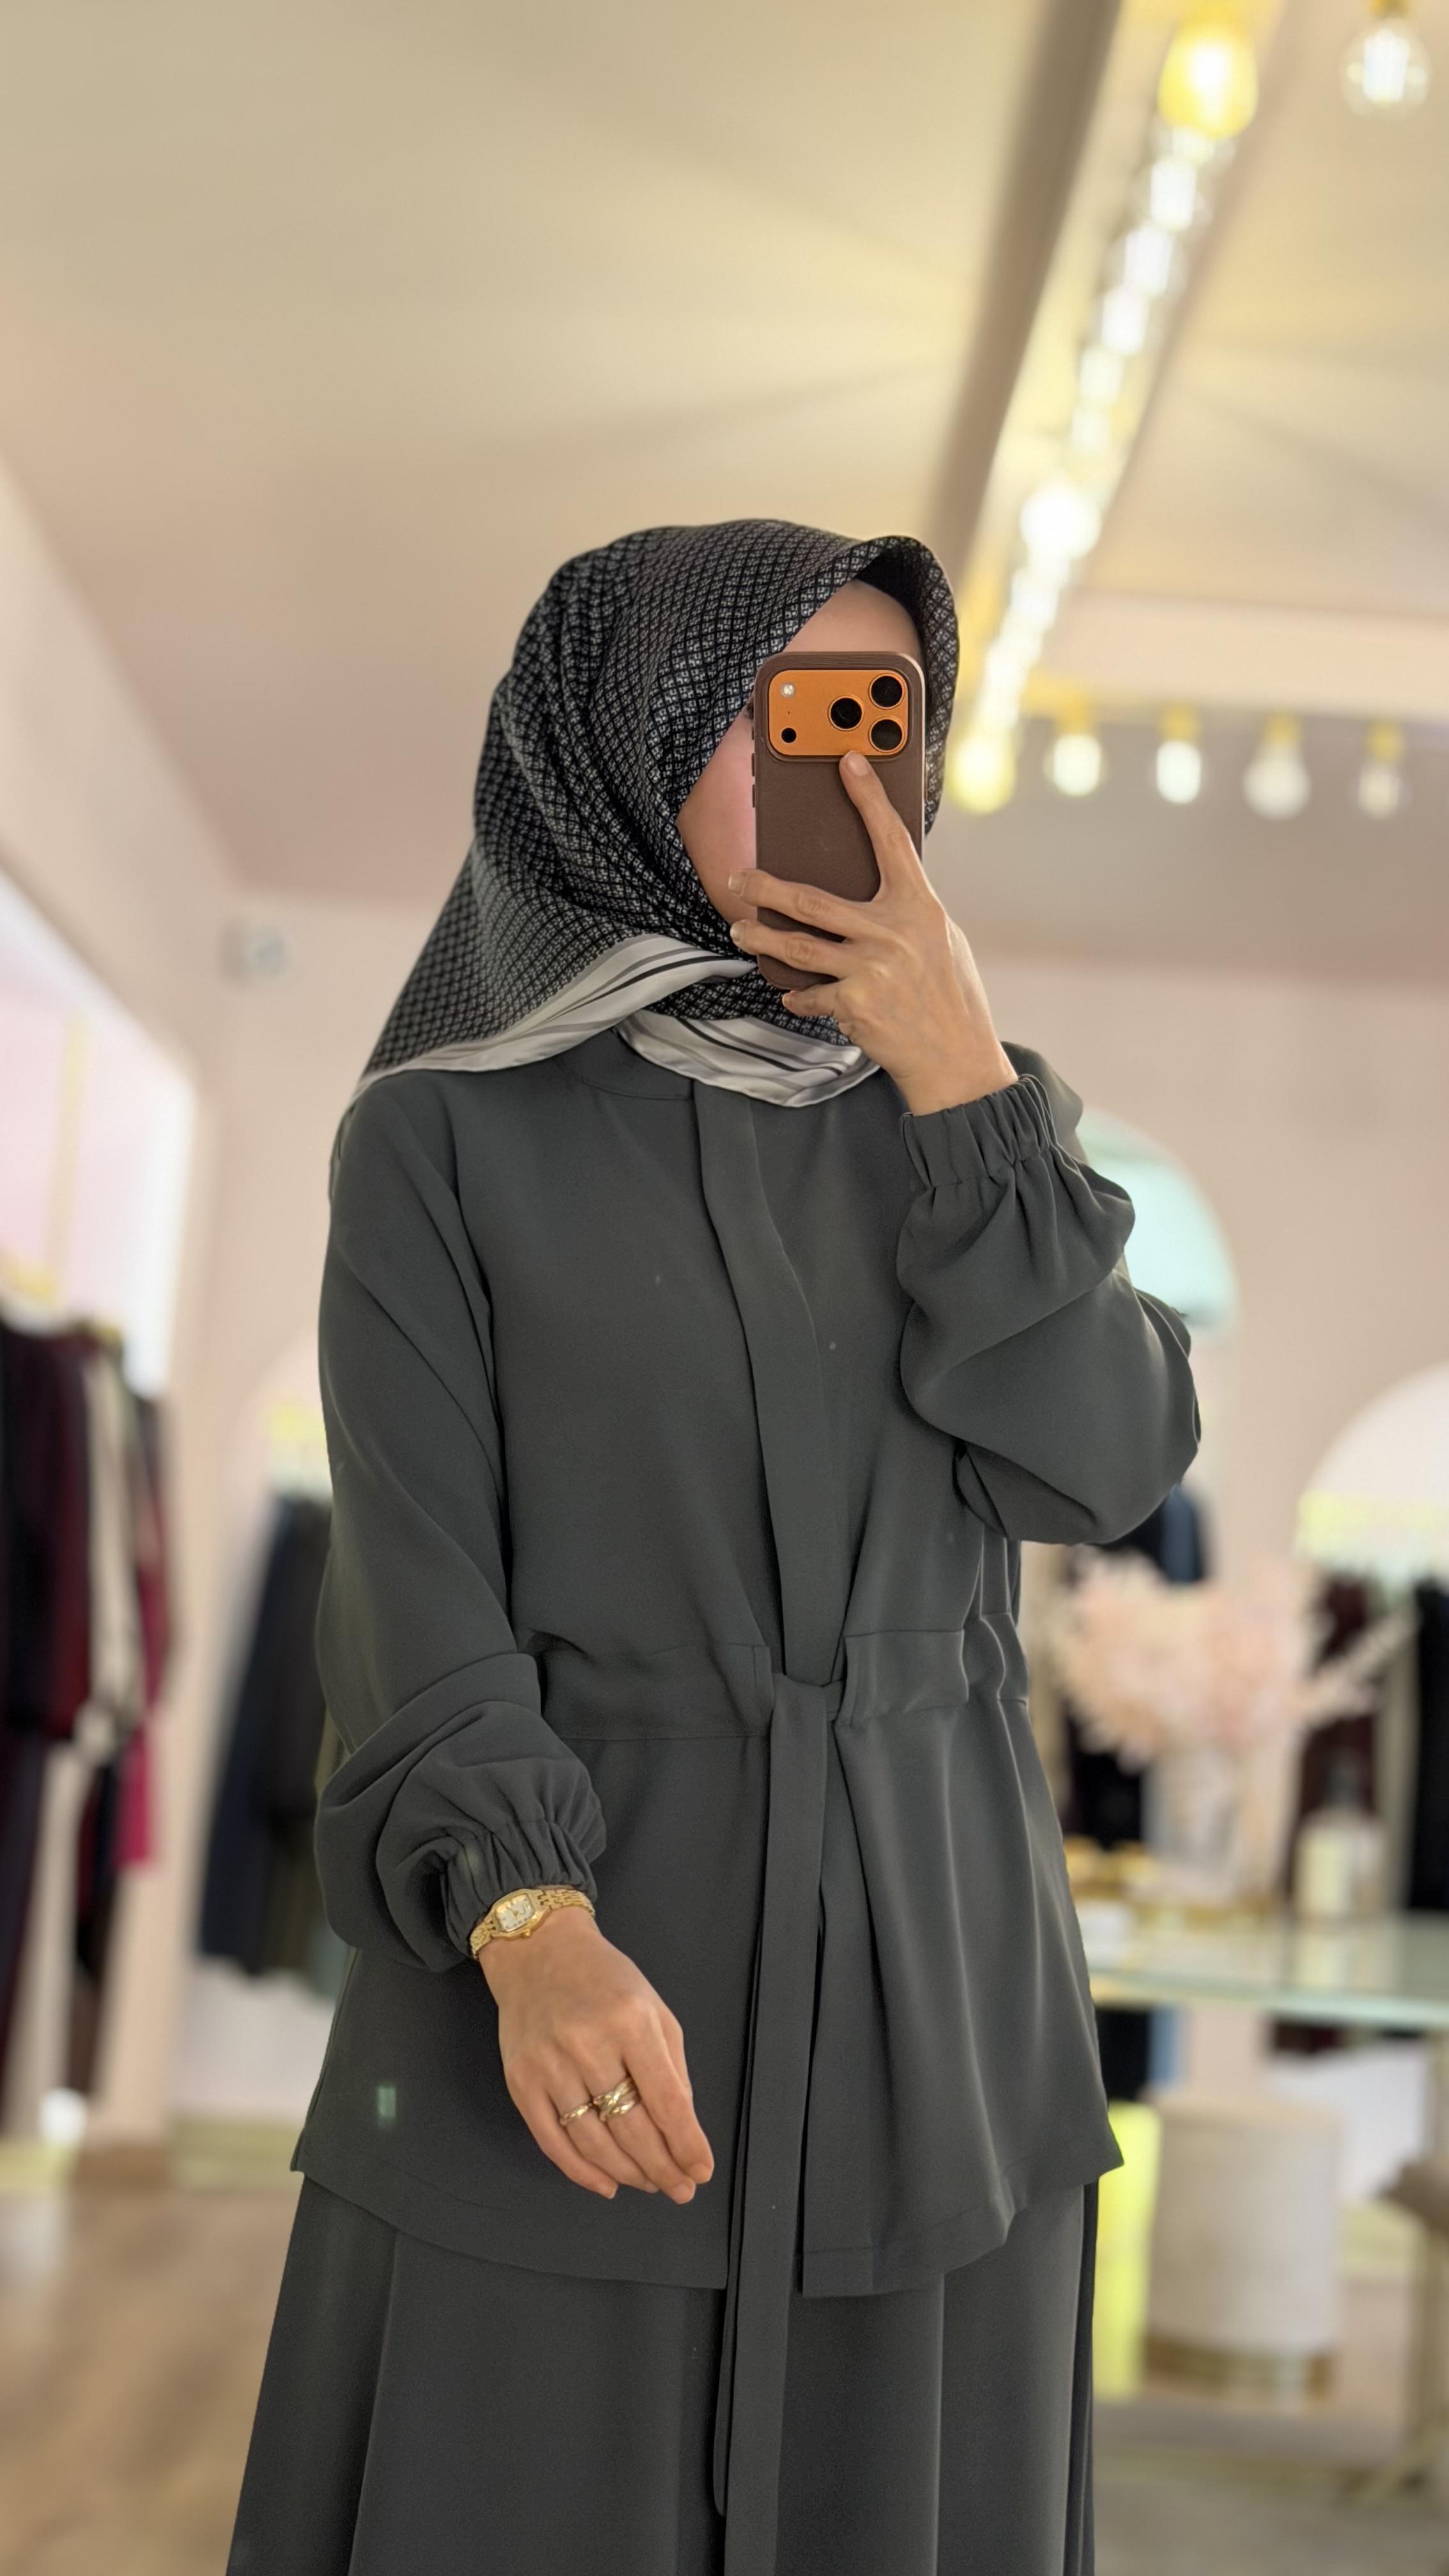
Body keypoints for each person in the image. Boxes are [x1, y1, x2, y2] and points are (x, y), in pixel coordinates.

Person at [227, 516, 1200, 2576]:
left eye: (883, 721)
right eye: (778, 717)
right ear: (620, 744)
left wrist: (962, 1082)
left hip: (939, 2036)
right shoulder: (444, 1137)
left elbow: (1105, 1470)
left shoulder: (985, 1131)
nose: (845, 775)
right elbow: (411, 1589)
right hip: (567, 2011)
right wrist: (529, 1924)